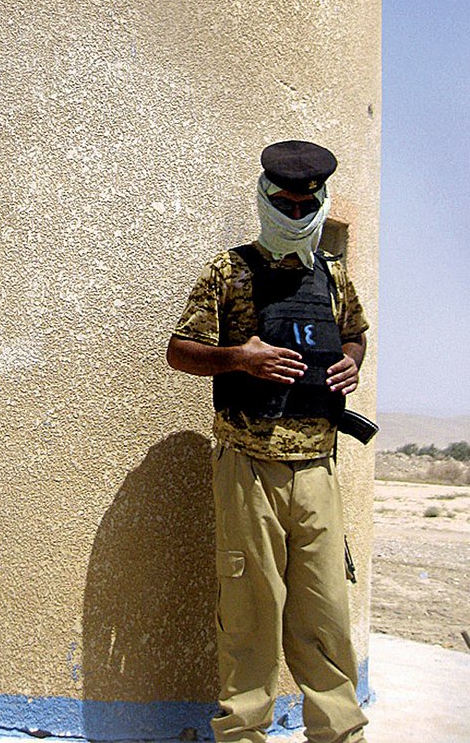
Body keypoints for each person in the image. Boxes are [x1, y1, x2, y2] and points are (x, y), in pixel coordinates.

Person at [166, 140, 370, 743]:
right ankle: (242, 734)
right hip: (248, 467)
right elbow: (180, 350)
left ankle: (339, 734)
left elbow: (355, 332)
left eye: (306, 202)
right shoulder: (228, 271)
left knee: (326, 614)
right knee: (250, 615)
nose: (296, 210)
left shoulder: (332, 275)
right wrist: (240, 358)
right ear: (264, 197)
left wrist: (351, 364)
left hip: (317, 468)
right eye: (284, 200)